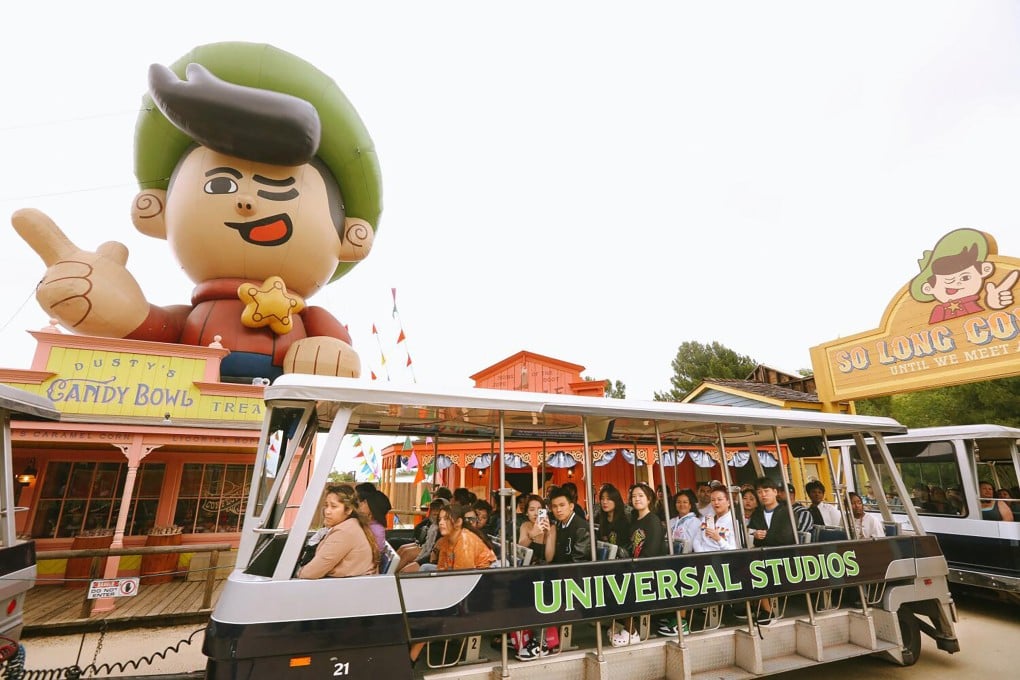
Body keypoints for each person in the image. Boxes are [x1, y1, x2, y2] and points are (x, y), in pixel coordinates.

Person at [14, 43, 380, 383]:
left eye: (278, 190)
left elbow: (340, 352)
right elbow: (153, 329)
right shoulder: (192, 316)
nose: (247, 202)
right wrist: (116, 307)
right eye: (221, 185)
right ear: (159, 212)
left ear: (347, 236)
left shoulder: (311, 319)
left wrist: (328, 349)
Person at [408, 503, 497, 663]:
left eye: (446, 519)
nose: (441, 522)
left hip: (479, 591)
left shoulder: (464, 541)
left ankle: (411, 659)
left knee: (430, 611)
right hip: (463, 584)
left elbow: (462, 583)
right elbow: (443, 571)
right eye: (440, 518)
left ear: (458, 522)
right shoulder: (445, 541)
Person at [297, 486, 378, 579]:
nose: (327, 511)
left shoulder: (344, 532)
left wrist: (298, 572)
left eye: (333, 506)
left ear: (348, 510)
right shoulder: (352, 525)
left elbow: (309, 574)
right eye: (326, 505)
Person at [748, 477, 796, 623]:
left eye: (766, 491)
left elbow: (785, 538)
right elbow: (751, 531)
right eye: (760, 492)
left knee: (756, 568)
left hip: (784, 555)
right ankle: (757, 606)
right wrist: (755, 534)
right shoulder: (758, 513)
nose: (763, 494)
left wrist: (761, 537)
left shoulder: (786, 512)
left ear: (775, 492)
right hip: (763, 554)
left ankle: (766, 611)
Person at [397, 498, 446, 571]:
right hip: (427, 548)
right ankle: (391, 572)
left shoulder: (442, 529)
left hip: (431, 554)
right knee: (403, 548)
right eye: (434, 514)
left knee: (407, 553)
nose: (435, 517)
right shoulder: (432, 525)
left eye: (437, 515)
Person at [594, 484, 630, 557]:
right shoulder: (599, 518)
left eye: (608, 499)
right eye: (602, 498)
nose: (604, 502)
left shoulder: (624, 521)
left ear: (616, 500)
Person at [518, 495, 549, 564]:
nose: (536, 513)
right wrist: (531, 535)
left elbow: (549, 558)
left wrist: (548, 534)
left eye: (539, 510)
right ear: (526, 513)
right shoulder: (525, 525)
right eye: (532, 510)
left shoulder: (550, 527)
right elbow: (520, 550)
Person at [668, 489, 701, 555]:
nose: (681, 505)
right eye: (678, 502)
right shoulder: (671, 521)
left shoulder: (695, 522)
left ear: (690, 505)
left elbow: (690, 544)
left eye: (685, 502)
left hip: (687, 557)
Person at [358, 488, 391, 553]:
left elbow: (375, 555)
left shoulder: (376, 530)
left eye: (364, 502)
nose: (361, 504)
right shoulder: (367, 524)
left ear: (372, 508)